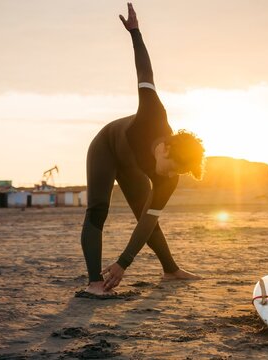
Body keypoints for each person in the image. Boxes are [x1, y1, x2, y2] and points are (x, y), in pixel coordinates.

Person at [79, 2, 205, 297]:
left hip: (131, 165)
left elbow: (148, 221)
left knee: (145, 214)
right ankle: (94, 282)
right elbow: (144, 69)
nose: (172, 175)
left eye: (177, 172)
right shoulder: (152, 113)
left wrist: (124, 263)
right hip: (106, 147)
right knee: (98, 209)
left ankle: (171, 270)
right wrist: (135, 32)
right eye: (172, 167)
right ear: (165, 148)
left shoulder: (170, 175)